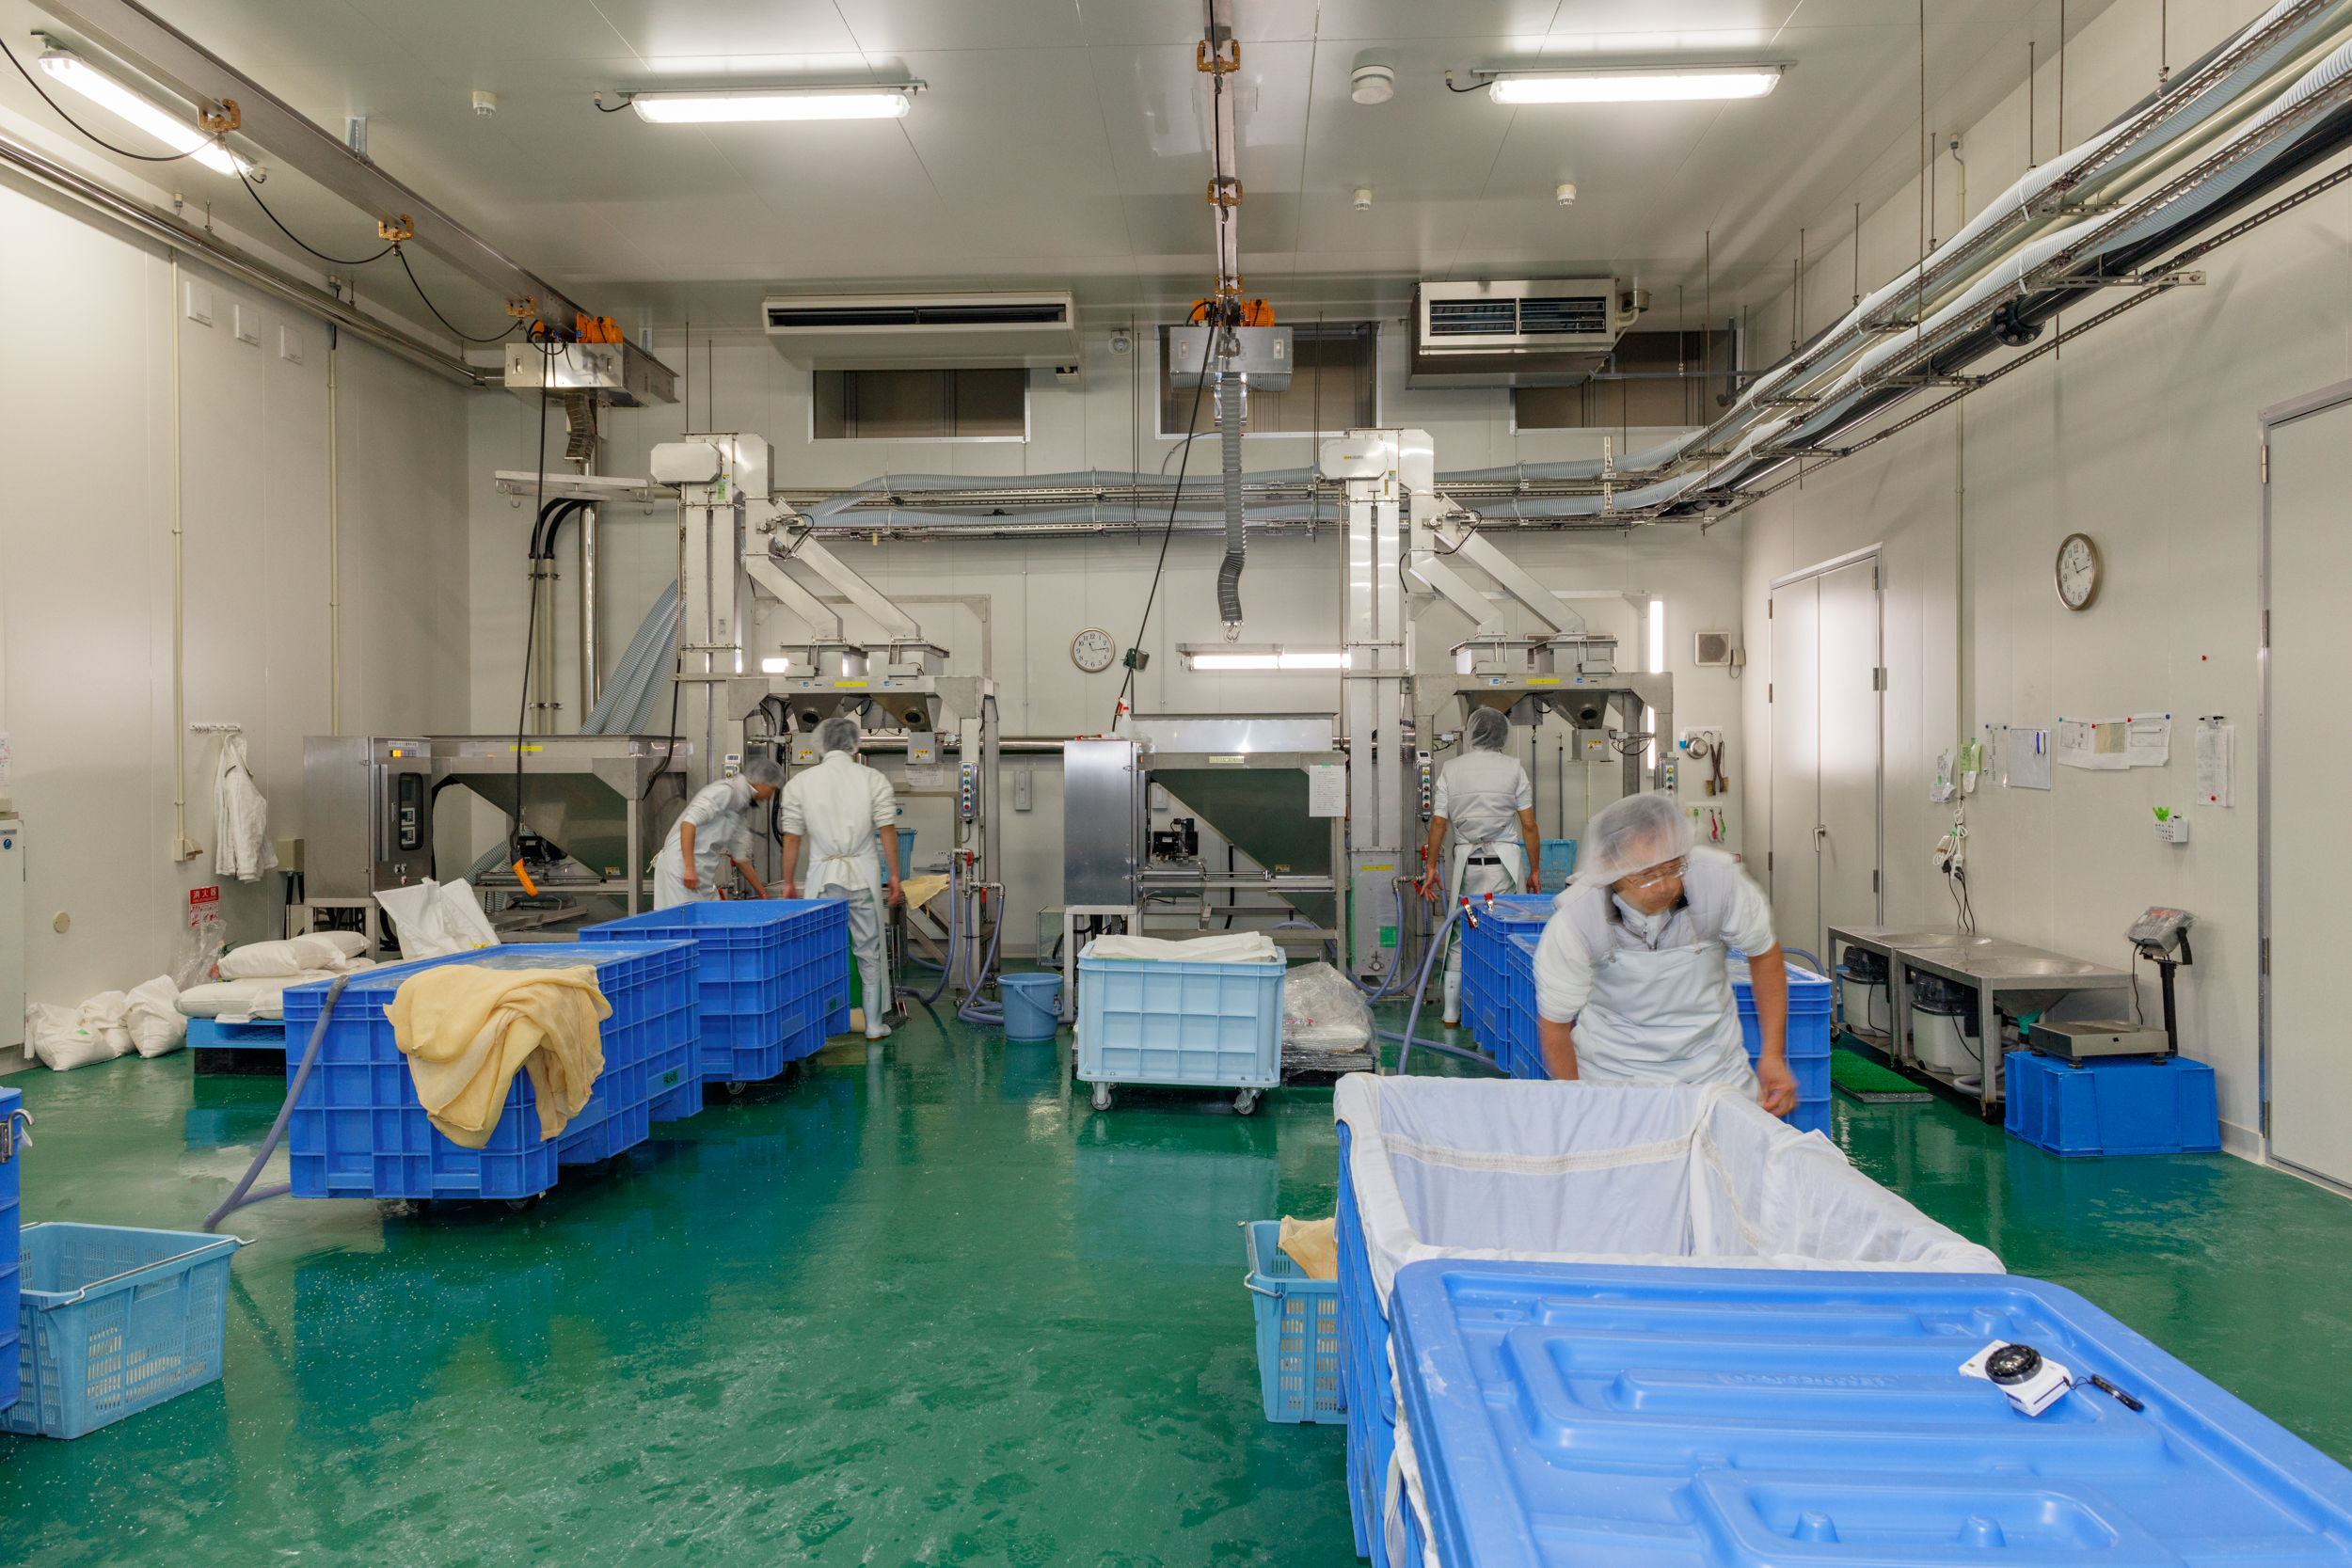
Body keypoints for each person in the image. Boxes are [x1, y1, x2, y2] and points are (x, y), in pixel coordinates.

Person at [1531, 791, 1797, 1115]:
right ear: (1606, 867)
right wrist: (1579, 1104)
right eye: (1644, 874)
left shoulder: (1719, 882)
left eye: (1673, 867)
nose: (1663, 886)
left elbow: (1764, 953)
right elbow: (1556, 1024)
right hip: (1613, 1082)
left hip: (1716, 1077)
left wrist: (1772, 1055)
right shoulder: (1577, 919)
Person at [778, 716, 904, 1041]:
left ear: (820, 744)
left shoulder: (800, 784)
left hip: (821, 879)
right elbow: (886, 829)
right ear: (855, 743)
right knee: (869, 951)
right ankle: (874, 1024)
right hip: (863, 876)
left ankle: (816, 1024)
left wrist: (788, 881)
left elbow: (792, 837)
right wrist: (894, 875)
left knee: (815, 952)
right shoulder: (872, 779)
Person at [1418, 706, 1541, 1025]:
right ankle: (1505, 1013)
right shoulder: (1514, 768)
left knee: (1464, 930)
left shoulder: (1452, 769)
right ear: (1503, 734)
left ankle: (1450, 1013)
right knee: (1503, 930)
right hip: (1503, 873)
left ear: (1470, 733)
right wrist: (1535, 870)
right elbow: (1529, 826)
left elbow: (1439, 823)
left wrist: (1431, 868)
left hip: (1469, 873)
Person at [652, 757, 782, 909]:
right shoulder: (725, 791)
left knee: (712, 920)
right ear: (762, 778)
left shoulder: (741, 808)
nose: (770, 796)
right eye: (772, 789)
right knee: (684, 923)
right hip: (681, 869)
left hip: (701, 873)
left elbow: (741, 858)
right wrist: (688, 868)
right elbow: (688, 823)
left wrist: (764, 895)